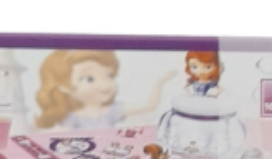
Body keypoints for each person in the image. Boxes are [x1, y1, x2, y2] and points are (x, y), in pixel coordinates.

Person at [35, 49, 174, 131]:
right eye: (89, 79)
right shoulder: (72, 118)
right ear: (65, 87)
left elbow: (149, 106)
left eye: (109, 76)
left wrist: (159, 83)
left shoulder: (113, 110)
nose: (105, 85)